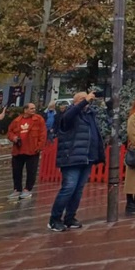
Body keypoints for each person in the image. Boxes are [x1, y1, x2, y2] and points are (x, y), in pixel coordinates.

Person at [48, 91, 104, 232]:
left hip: (87, 157)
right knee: (68, 188)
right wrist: (84, 101)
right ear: (77, 101)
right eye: (83, 99)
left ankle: (70, 217)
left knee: (78, 190)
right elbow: (69, 115)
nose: (87, 101)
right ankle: (54, 219)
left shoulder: (90, 114)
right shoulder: (69, 114)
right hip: (72, 156)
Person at [6, 103, 46, 200]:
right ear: (25, 110)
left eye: (34, 108)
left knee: (31, 171)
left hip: (32, 151)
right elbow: (10, 132)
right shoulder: (17, 120)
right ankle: (17, 189)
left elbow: (43, 133)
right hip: (18, 151)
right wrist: (14, 138)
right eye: (31, 108)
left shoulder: (38, 119)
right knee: (16, 171)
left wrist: (39, 146)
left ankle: (27, 189)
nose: (34, 110)